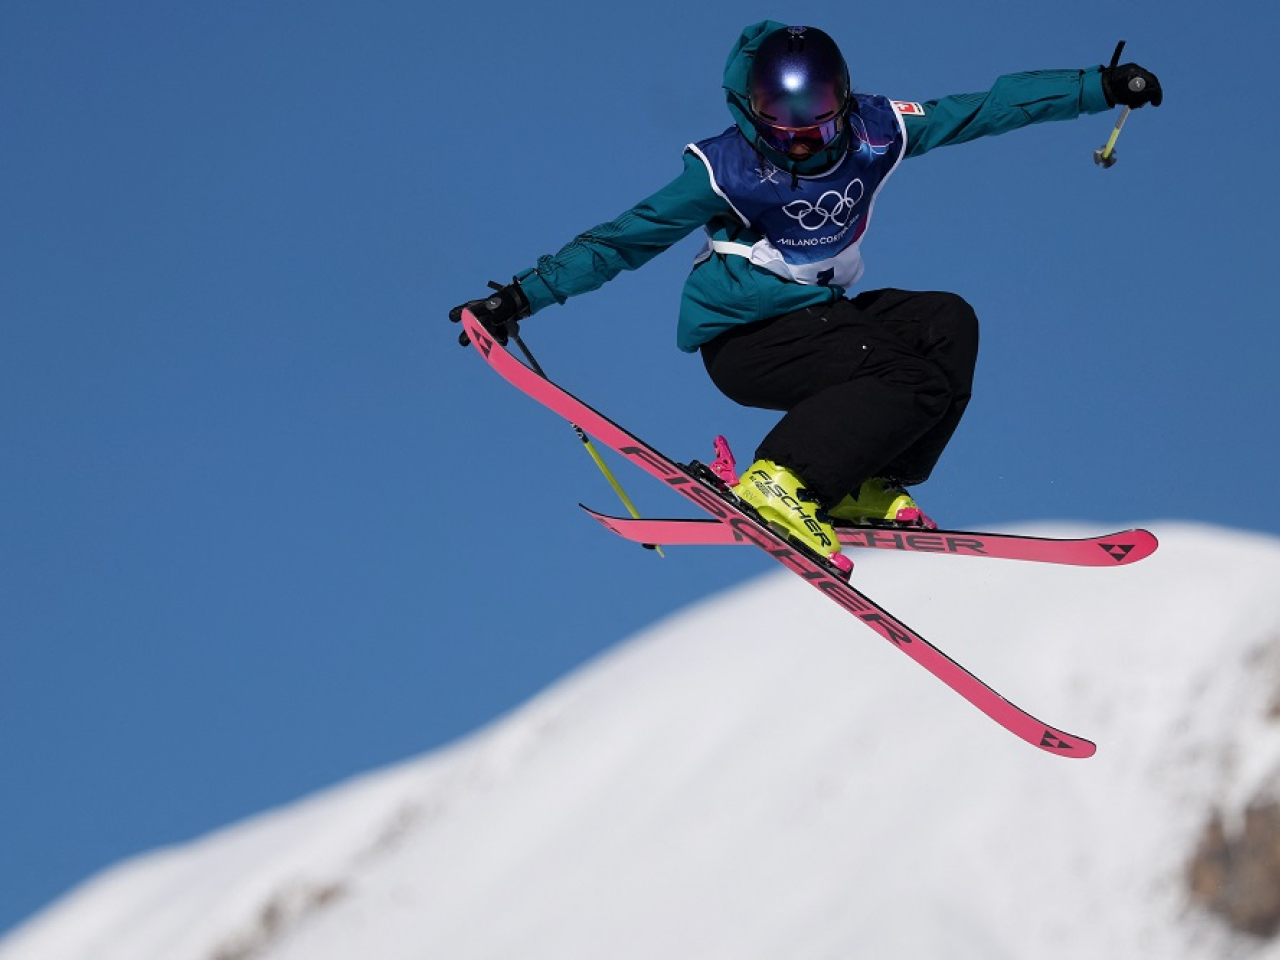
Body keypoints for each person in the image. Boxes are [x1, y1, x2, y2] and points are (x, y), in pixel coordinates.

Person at [450, 21, 1161, 571]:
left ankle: (862, 480)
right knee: (904, 378)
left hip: (820, 320)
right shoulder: (724, 170)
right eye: (782, 132)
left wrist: (1097, 87)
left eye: (816, 126)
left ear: (842, 104)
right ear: (753, 114)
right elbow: (621, 240)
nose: (800, 146)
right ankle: (780, 478)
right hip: (748, 341)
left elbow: (982, 110)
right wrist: (518, 299)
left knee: (945, 322)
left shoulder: (880, 131)